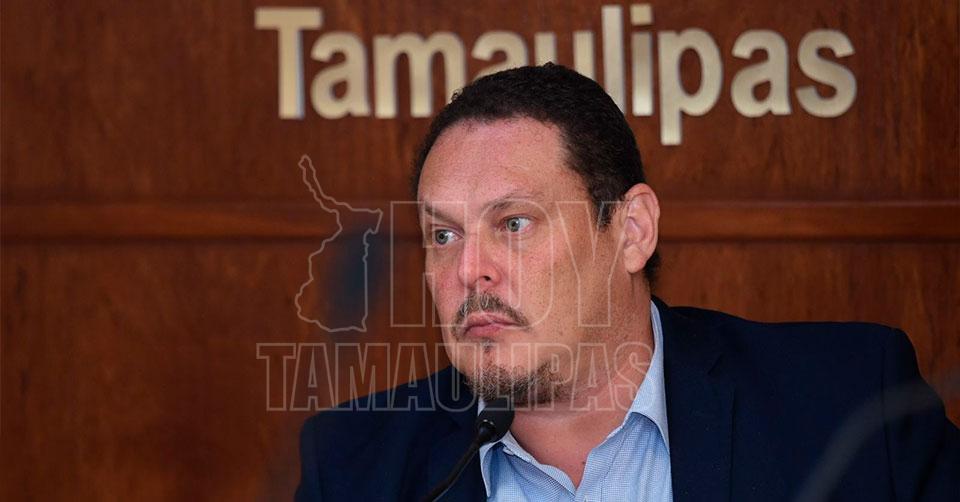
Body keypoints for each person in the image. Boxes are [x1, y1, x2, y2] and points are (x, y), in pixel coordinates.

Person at [294, 64, 959, 501]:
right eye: (443, 235)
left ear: (632, 230)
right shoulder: (354, 467)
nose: (469, 270)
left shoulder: (853, 406)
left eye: (514, 223)